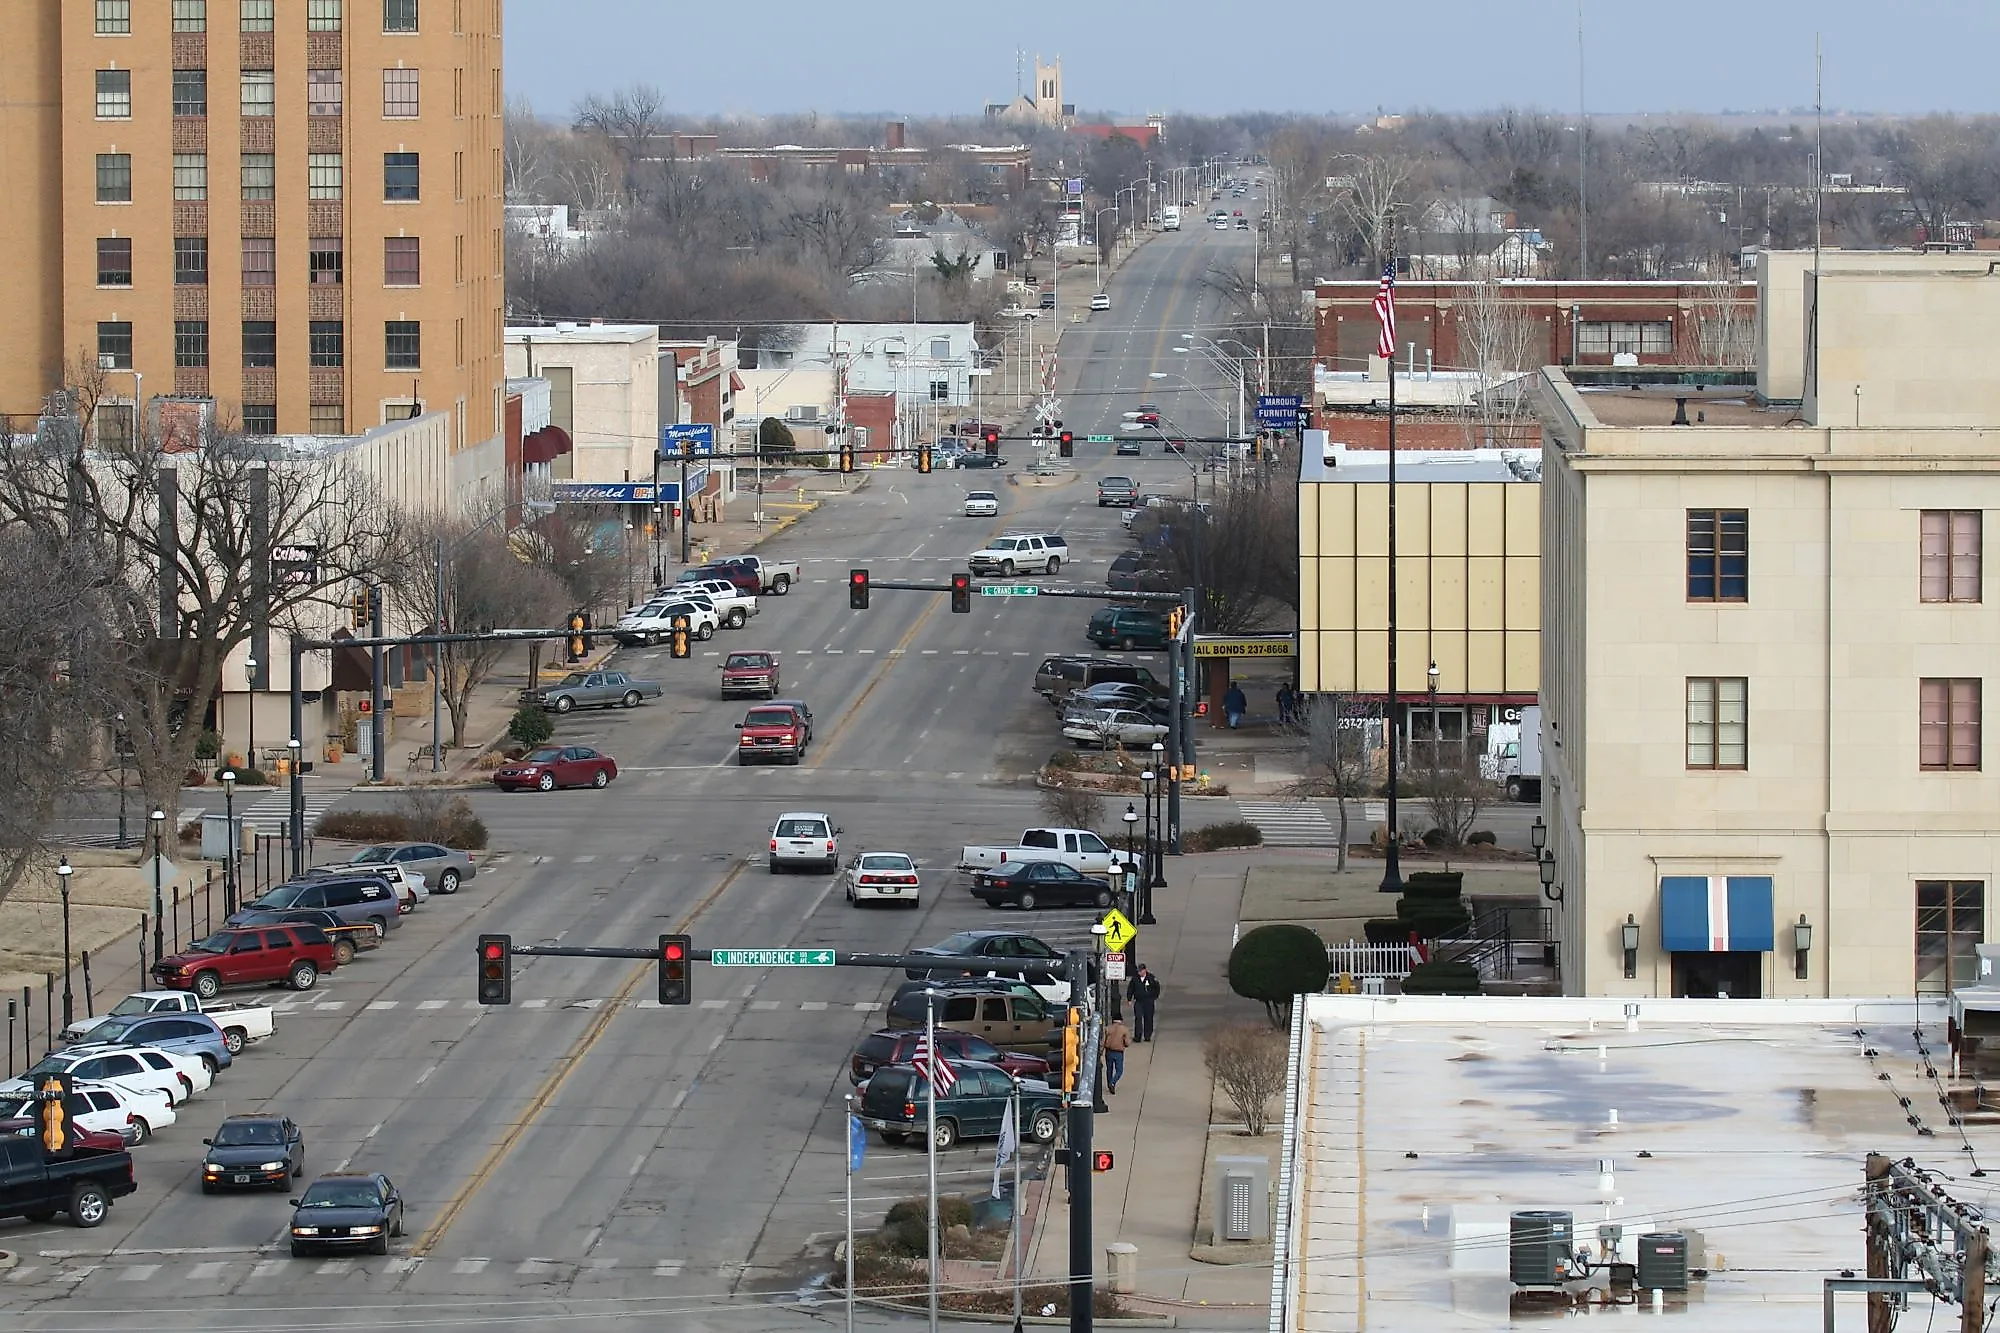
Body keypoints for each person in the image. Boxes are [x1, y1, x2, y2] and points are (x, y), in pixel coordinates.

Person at [1127, 963, 1161, 1042]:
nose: (1139, 973)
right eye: (1138, 971)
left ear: (1145, 970)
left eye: (1140, 971)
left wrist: (1154, 997)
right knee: (1138, 1018)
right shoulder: (1135, 979)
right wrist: (1129, 999)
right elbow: (1130, 988)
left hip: (1148, 1001)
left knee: (1148, 1018)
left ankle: (1147, 1035)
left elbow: (1157, 987)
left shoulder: (1151, 978)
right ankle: (1137, 1036)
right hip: (1139, 1001)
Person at [1103, 1016, 1130, 1093]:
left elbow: (1103, 1041)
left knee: (1109, 1069)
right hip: (1118, 1052)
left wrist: (1101, 1051)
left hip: (1109, 1051)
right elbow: (1127, 1043)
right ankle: (1113, 1082)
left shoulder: (1108, 1028)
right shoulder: (1124, 1029)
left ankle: (1109, 1084)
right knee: (1119, 1070)